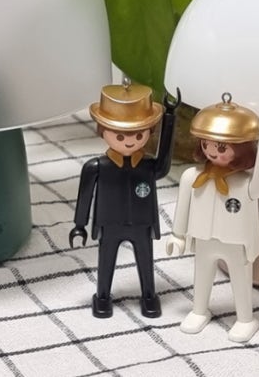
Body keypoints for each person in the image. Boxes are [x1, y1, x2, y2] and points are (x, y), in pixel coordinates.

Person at [166, 93, 259, 342]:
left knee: (240, 279)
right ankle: (199, 310)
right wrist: (178, 235)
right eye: (206, 145)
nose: (212, 152)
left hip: (235, 241)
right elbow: (183, 207)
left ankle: (245, 318)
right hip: (203, 237)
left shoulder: (245, 184)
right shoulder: (192, 177)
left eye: (221, 147)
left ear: (240, 149)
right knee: (201, 275)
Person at [70, 82, 179, 318]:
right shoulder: (97, 167)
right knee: (106, 261)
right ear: (102, 130)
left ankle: (149, 295)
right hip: (109, 223)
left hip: (141, 222)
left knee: (145, 261)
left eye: (139, 134)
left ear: (150, 131)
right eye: (120, 135)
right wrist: (79, 225)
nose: (129, 141)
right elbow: (85, 196)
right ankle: (102, 296)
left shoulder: (148, 167)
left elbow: (164, 163)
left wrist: (170, 117)